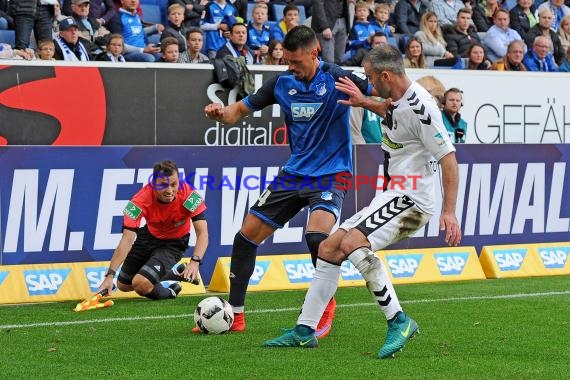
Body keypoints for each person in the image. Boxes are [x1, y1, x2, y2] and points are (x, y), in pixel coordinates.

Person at [262, 44, 461, 360]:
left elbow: (449, 158)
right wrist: (365, 101)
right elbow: (393, 112)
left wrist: (449, 212)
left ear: (385, 75)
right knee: (329, 248)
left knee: (354, 242)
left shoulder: (424, 107)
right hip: (392, 194)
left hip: (412, 198)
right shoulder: (398, 98)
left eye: (370, 77)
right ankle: (304, 330)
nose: (368, 81)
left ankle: (399, 321)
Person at [202, 25, 374, 336]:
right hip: (293, 175)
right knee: (245, 238)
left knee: (317, 237)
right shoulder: (281, 83)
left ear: (314, 53)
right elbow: (235, 113)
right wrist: (220, 113)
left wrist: (368, 100)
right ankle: (236, 317)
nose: (290, 67)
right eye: (287, 61)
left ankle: (324, 307)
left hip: (331, 174)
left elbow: (380, 95)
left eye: (296, 62)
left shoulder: (337, 76)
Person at [97, 160, 209, 300]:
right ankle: (175, 273)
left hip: (174, 243)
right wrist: (109, 276)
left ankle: (170, 292)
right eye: (163, 185)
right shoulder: (138, 202)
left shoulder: (189, 195)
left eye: (174, 185)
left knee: (140, 283)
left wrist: (195, 261)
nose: (169, 191)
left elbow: (202, 232)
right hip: (149, 236)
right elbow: (126, 240)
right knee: (123, 285)